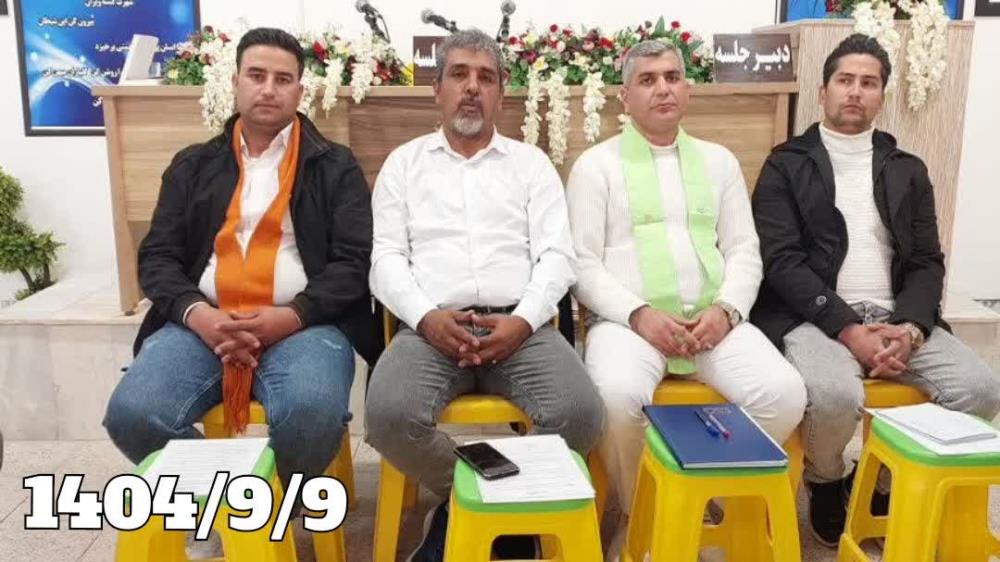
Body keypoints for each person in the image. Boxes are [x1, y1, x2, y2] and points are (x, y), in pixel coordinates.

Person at [104, 26, 377, 503]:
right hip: (202, 324)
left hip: (305, 324)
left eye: (283, 79)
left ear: (300, 91)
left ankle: (268, 511)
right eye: (256, 75)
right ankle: (237, 505)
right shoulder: (193, 165)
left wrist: (291, 315)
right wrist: (199, 315)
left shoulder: (334, 166)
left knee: (312, 414)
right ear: (234, 83)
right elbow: (158, 257)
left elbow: (354, 263)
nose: (269, 89)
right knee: (134, 413)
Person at [751, 33, 1000, 547]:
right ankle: (826, 480)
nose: (855, 91)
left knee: (981, 388)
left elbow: (927, 261)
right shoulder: (785, 164)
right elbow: (782, 263)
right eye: (845, 80)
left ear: (881, 96)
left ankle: (881, 481)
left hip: (896, 314)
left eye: (868, 83)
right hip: (814, 316)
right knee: (834, 395)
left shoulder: (907, 169)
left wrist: (909, 329)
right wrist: (848, 328)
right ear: (823, 91)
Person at [365, 28, 604, 562]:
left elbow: (557, 257)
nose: (472, 87)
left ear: (500, 94)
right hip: (430, 329)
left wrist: (523, 321)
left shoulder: (531, 165)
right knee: (387, 416)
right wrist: (426, 318)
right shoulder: (404, 164)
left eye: (486, 77)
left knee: (581, 413)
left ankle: (472, 514)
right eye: (459, 74)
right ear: (438, 89)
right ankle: (485, 506)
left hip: (520, 329)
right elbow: (385, 260)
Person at [566, 39, 807, 559]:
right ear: (625, 97)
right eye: (647, 80)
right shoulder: (595, 166)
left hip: (711, 323)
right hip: (628, 325)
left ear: (687, 90)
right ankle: (643, 511)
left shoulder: (719, 163)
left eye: (672, 77)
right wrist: (638, 314)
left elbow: (744, 249)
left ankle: (705, 494)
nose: (663, 89)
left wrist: (727, 310)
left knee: (784, 393)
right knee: (616, 396)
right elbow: (581, 264)